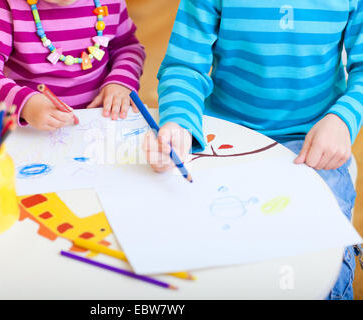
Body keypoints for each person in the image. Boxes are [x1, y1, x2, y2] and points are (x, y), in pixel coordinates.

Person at [144, 0, 363, 299]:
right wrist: (179, 122)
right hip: (224, 134)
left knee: (320, 250)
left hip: (311, 138)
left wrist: (342, 118)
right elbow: (184, 66)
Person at [0, 0, 145, 130]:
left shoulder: (111, 3)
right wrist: (24, 103)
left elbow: (128, 47)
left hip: (98, 122)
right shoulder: (6, 5)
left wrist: (121, 81)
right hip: (30, 128)